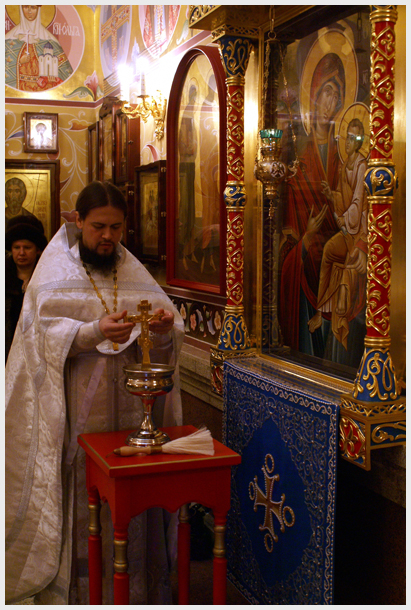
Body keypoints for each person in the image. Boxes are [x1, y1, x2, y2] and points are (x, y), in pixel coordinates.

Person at [5, 181, 185, 604]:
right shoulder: (54, 272)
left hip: (131, 423)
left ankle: (134, 593)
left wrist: (161, 331)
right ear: (78, 222)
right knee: (85, 506)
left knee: (129, 504)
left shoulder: (133, 271)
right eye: (98, 227)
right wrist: (90, 332)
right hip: (77, 423)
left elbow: (165, 341)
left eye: (116, 228)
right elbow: (37, 338)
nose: (108, 237)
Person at [279, 52, 345, 358]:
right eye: (327, 92)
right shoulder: (298, 165)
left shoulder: (344, 158)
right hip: (309, 267)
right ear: (315, 95)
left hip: (339, 267)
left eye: (337, 95)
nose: (331, 102)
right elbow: (286, 253)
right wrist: (306, 238)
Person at [308, 118, 368, 348]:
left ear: (360, 142)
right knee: (327, 252)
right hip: (348, 229)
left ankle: (336, 320)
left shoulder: (361, 166)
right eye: (347, 137)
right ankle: (320, 311)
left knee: (334, 255)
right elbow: (345, 197)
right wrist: (331, 195)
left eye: (354, 138)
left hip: (358, 232)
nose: (349, 142)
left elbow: (358, 202)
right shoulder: (345, 166)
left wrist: (344, 219)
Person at [5, 215, 48, 360]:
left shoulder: (48, 277)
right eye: (17, 247)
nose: (21, 253)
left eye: (27, 248)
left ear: (37, 250)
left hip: (38, 351)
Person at [5, 5, 73, 91]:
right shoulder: (9, 39)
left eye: (33, 8)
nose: (29, 11)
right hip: (18, 90)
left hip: (44, 90)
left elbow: (67, 76)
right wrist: (19, 62)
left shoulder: (49, 40)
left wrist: (53, 77)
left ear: (38, 10)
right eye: (26, 7)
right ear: (21, 9)